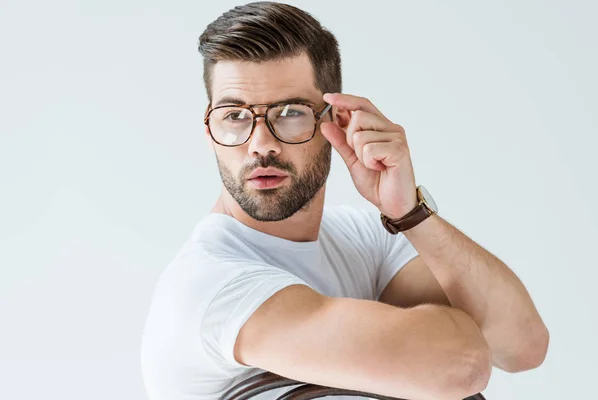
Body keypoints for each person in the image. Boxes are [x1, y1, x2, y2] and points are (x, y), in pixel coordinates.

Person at [141, 2, 549, 400]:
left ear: (336, 121)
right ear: (210, 125)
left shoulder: (368, 236)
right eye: (234, 116)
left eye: (290, 112)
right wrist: (443, 327)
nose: (260, 144)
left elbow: (522, 346)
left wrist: (410, 214)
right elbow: (463, 364)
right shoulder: (209, 286)